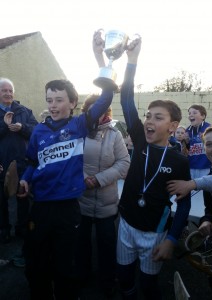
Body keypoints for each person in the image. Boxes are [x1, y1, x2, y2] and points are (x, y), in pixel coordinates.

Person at [17, 32, 115, 300]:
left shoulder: (79, 125)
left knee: (65, 269)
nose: (53, 105)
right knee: (36, 266)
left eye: (59, 100)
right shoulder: (38, 131)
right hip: (40, 208)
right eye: (49, 100)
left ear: (72, 103)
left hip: (69, 209)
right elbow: (33, 163)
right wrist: (25, 181)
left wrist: (99, 56)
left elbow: (107, 96)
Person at [112, 37, 191, 300]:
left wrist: (171, 239)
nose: (149, 120)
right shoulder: (139, 142)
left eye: (158, 117)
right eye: (148, 115)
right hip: (126, 225)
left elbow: (185, 205)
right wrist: (132, 61)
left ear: (173, 126)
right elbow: (126, 101)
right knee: (124, 279)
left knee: (148, 286)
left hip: (155, 234)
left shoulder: (179, 161)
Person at [78, 94, 130, 297]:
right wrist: (83, 178)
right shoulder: (77, 132)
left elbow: (124, 163)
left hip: (107, 203)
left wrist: (98, 179)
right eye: (92, 110)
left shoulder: (114, 134)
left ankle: (107, 280)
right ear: (87, 112)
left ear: (107, 112)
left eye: (101, 110)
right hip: (80, 200)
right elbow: (70, 159)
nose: (97, 114)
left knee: (107, 245)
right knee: (81, 243)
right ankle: (82, 276)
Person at [168, 125, 212, 300]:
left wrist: (192, 184)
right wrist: (207, 221)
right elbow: (211, 210)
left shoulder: (209, 179)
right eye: (209, 144)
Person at [0, 78, 38, 245]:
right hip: (1, 164)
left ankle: (22, 228)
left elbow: (37, 132)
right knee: (1, 201)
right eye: (4, 90)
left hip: (22, 162)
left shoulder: (24, 111)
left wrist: (22, 128)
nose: (8, 93)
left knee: (23, 198)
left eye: (10, 90)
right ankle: (4, 230)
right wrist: (4, 125)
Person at [186, 104, 211, 179]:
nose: (191, 115)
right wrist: (186, 142)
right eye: (189, 113)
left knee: (204, 188)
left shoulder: (208, 128)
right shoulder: (187, 131)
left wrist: (205, 139)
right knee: (192, 189)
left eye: (194, 113)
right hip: (191, 166)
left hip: (205, 166)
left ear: (203, 116)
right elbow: (188, 149)